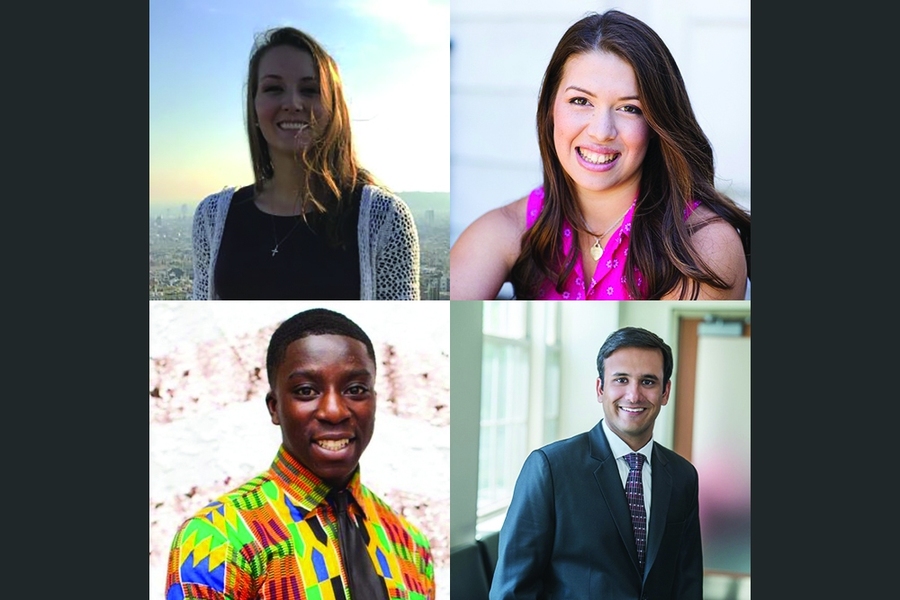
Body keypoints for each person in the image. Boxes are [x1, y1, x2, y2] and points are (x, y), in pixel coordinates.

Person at [450, 10, 750, 300]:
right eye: (580, 101)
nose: (601, 131)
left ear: (658, 123)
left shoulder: (704, 244)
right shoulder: (507, 228)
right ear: (551, 109)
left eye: (630, 108)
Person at [165, 308, 435, 599]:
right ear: (274, 407)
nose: (334, 411)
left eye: (356, 389)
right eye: (306, 391)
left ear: (374, 401)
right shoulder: (218, 538)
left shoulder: (409, 542)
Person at [192, 27, 420, 300]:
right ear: (253, 106)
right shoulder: (212, 217)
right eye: (274, 89)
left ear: (334, 109)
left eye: (310, 90)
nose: (293, 103)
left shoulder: (384, 219)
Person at [489, 326, 702, 599]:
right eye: (621, 380)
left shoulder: (683, 476)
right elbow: (513, 589)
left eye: (648, 382)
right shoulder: (551, 468)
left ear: (665, 392)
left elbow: (688, 583)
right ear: (600, 388)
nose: (634, 395)